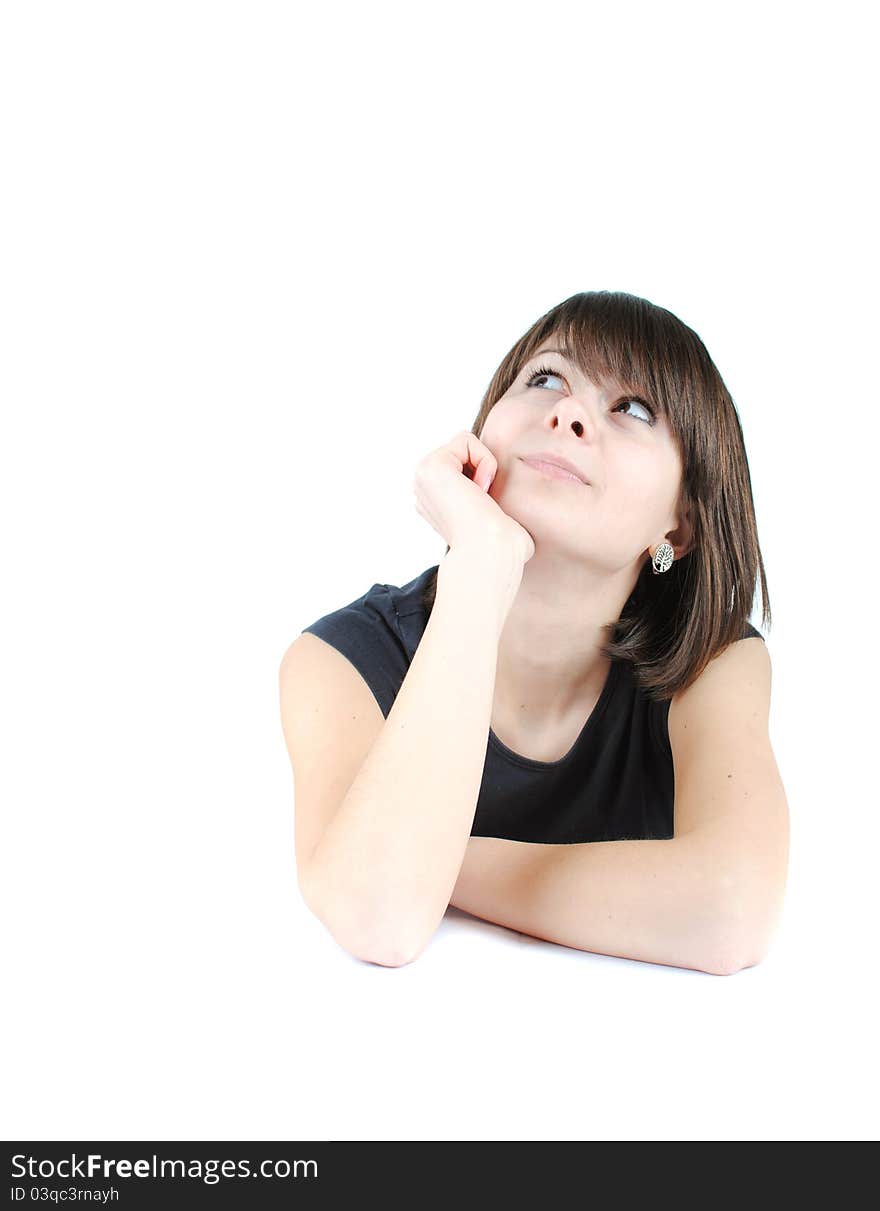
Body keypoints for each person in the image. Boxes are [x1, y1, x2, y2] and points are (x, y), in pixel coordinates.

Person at [280, 290, 787, 974]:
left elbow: (732, 909)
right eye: (546, 377)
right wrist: (482, 564)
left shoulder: (712, 661)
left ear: (681, 525)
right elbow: (382, 916)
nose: (569, 412)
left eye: (632, 408)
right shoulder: (339, 660)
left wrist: (435, 860)